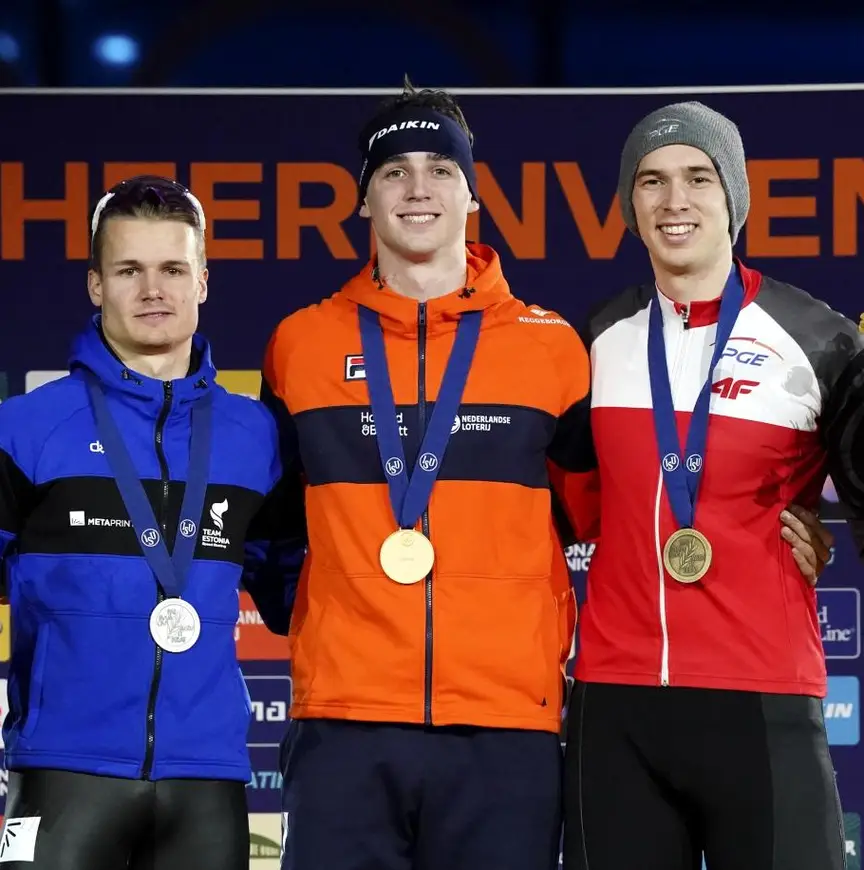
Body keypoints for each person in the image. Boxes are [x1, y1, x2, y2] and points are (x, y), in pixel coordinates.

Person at [261, 81, 828, 870]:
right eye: (394, 172)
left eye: (441, 169)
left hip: (508, 725)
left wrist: (786, 524)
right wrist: (330, 620)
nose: (418, 189)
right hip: (344, 718)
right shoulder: (300, 345)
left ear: (472, 193)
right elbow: (270, 520)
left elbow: (597, 508)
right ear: (363, 198)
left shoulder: (554, 349)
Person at [562, 102, 857, 870]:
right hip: (618, 702)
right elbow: (566, 507)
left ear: (734, 196)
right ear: (630, 207)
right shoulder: (593, 340)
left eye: (699, 178)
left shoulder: (817, 338)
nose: (675, 201)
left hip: (762, 695)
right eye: (651, 181)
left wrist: (820, 526)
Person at [0, 175, 303, 870]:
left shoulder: (255, 436)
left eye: (172, 269)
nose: (152, 290)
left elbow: (294, 593)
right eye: (128, 270)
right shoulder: (24, 429)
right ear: (95, 285)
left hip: (207, 780)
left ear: (202, 282)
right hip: (62, 768)